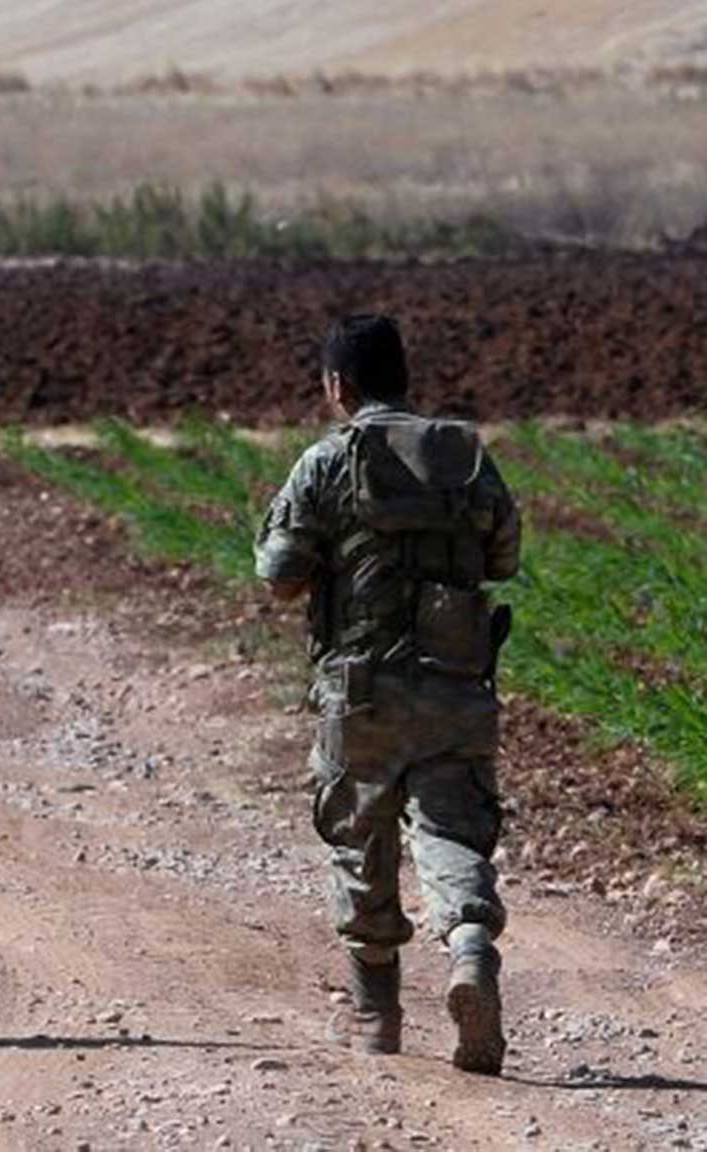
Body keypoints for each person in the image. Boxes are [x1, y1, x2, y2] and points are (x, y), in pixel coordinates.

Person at [254, 314, 520, 1074]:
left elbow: (279, 576)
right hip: (456, 686)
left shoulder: (327, 461)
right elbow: (505, 553)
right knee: (450, 833)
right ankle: (470, 951)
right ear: (404, 376)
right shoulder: (464, 456)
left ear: (338, 385)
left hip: (360, 693)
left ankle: (376, 1014)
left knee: (360, 842)